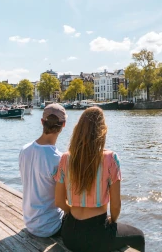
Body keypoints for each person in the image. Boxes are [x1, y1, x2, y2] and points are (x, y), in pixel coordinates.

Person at [55, 107, 145, 252]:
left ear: (78, 130)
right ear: (103, 130)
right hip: (97, 234)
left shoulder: (66, 158)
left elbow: (59, 201)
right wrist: (112, 220)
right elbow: (115, 206)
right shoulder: (110, 158)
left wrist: (74, 210)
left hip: (69, 234)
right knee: (139, 236)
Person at [18, 103, 67, 237]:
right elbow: (62, 200)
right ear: (63, 124)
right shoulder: (59, 158)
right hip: (51, 226)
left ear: (42, 122)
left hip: (29, 223)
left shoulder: (24, 150)